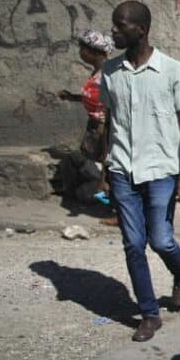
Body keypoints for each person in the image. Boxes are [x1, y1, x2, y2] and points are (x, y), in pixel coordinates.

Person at [100, 0, 180, 342]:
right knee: (133, 243)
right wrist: (105, 166)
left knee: (160, 239)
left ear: (140, 29)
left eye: (119, 25)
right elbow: (109, 122)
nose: (113, 31)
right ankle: (149, 314)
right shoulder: (110, 73)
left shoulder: (171, 70)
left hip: (161, 170)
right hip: (122, 168)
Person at [58, 29, 116, 222]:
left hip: (103, 128)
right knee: (90, 165)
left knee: (107, 168)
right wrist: (73, 97)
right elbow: (95, 98)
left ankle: (113, 208)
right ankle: (99, 198)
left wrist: (102, 130)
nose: (80, 52)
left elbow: (109, 105)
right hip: (95, 127)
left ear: (95, 51)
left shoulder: (108, 74)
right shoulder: (98, 72)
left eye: (83, 48)